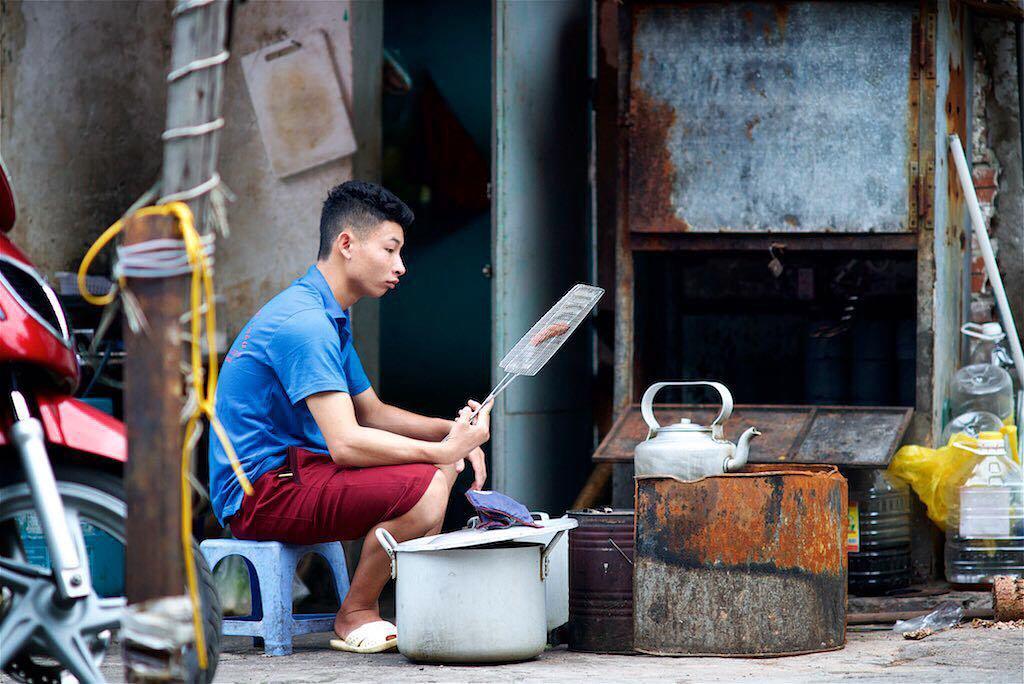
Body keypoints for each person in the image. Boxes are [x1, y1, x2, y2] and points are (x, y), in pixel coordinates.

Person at [208, 180, 491, 653]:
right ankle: (356, 612)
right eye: (391, 249)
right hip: (260, 491)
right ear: (346, 244)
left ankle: (389, 604)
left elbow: (372, 412)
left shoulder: (328, 314)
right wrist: (444, 451)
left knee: (439, 469)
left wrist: (453, 430)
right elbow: (346, 442)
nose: (401, 266)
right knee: (426, 483)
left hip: (298, 471)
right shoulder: (305, 324)